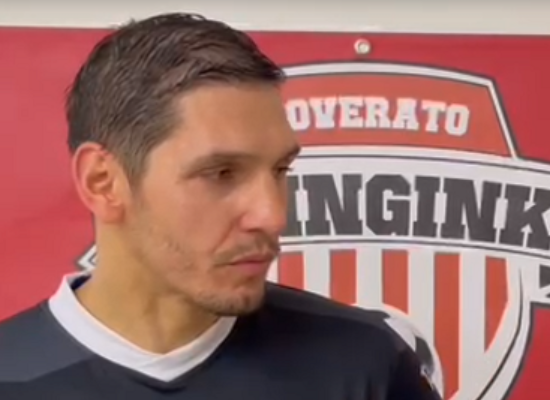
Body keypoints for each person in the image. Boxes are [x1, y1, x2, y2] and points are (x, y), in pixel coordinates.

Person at [0, 13, 442, 399]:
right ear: (103, 182)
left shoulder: (366, 365)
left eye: (280, 170)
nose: (273, 216)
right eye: (221, 173)